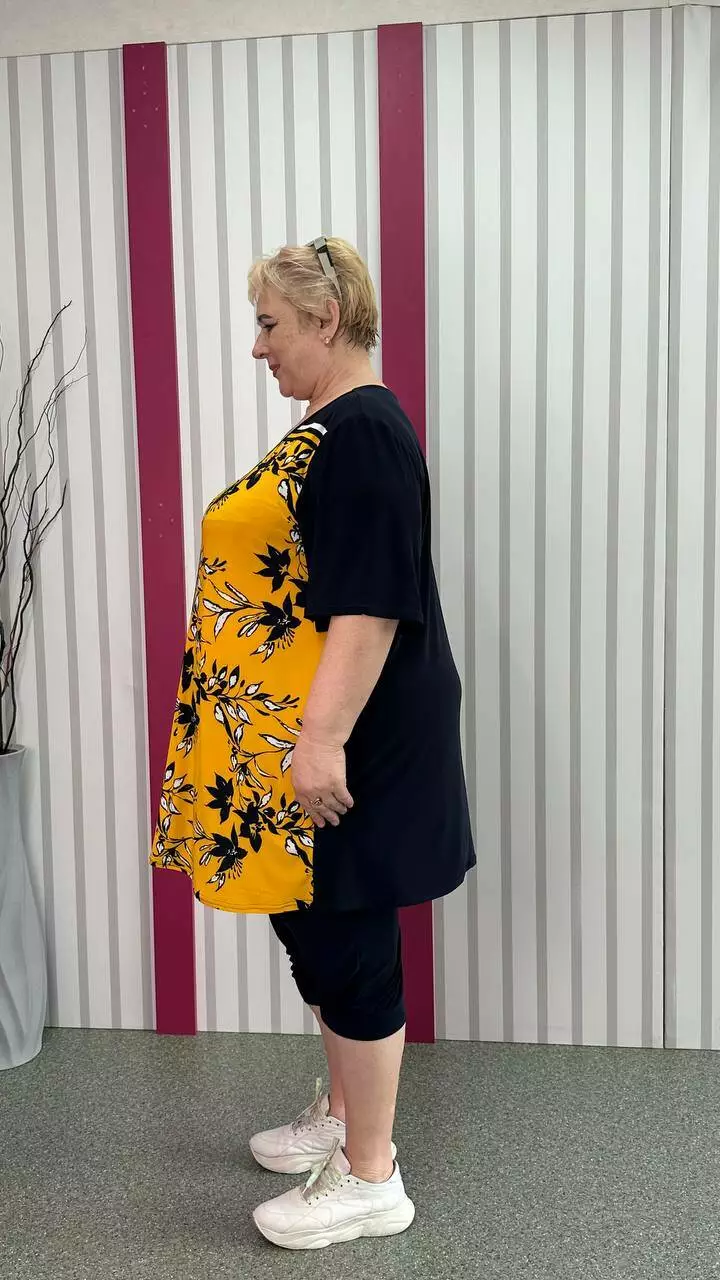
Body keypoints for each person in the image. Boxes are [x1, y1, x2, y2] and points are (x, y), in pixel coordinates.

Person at [149, 235, 475, 1251]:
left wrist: (321, 742)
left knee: (347, 931)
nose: (258, 347)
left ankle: (372, 1175)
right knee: (312, 924)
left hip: (349, 735)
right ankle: (341, 1114)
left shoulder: (365, 430)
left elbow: (370, 607)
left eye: (270, 324)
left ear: (326, 321)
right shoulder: (333, 427)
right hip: (301, 732)